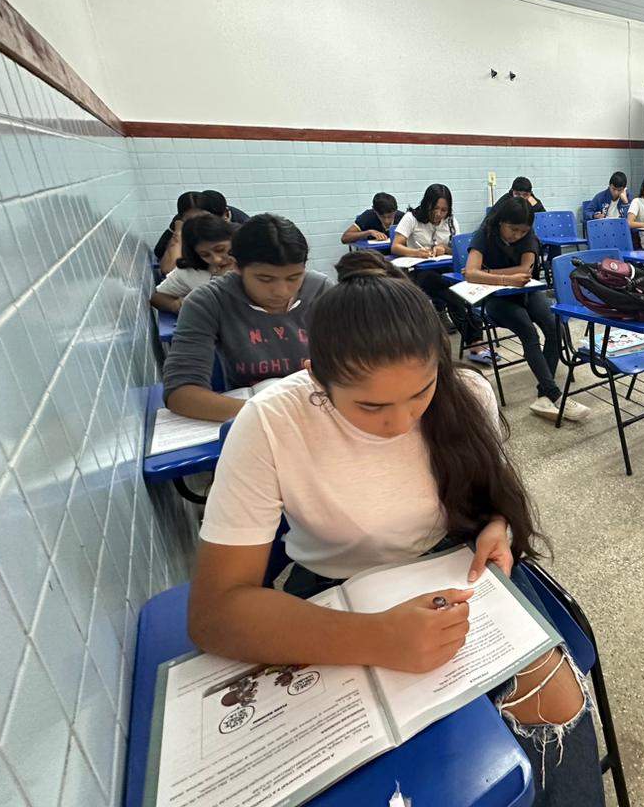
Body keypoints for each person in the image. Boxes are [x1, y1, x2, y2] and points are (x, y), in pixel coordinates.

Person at [187, 251, 605, 807]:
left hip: (452, 565)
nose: (401, 421)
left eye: (421, 393)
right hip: (334, 588)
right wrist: (376, 638)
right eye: (370, 406)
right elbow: (215, 612)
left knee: (556, 709)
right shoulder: (271, 421)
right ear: (315, 375)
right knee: (385, 772)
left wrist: (496, 524)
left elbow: (490, 495)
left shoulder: (465, 392)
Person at [164, 214, 330, 421]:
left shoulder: (322, 291)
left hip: (320, 404)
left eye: (294, 278)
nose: (281, 291)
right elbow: (180, 393)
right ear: (236, 266)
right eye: (265, 279)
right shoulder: (208, 301)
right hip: (253, 409)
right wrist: (272, 413)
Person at [466, 197, 590, 423]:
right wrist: (506, 278)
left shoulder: (528, 236)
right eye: (513, 229)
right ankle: (554, 394)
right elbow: (471, 273)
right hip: (496, 298)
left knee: (555, 327)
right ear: (501, 221)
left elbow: (525, 271)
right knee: (529, 332)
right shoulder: (485, 233)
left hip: (526, 292)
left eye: (522, 231)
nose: (517, 235)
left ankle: (544, 395)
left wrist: (490, 273)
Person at [394, 184, 493, 365]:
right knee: (453, 294)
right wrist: (416, 252)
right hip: (420, 272)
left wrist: (445, 249)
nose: (439, 214)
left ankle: (476, 340)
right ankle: (475, 343)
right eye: (435, 209)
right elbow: (396, 246)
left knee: (465, 291)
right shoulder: (411, 218)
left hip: (445, 268)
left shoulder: (451, 221)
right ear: (427, 204)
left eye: (444, 210)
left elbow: (458, 249)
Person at [150, 215, 236, 313]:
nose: (216, 259)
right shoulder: (192, 270)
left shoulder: (248, 258)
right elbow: (157, 297)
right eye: (205, 255)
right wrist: (178, 306)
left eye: (220, 249)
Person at [155, 190, 250, 273]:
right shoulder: (185, 226)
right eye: (205, 254)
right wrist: (179, 233)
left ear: (224, 216)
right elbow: (168, 267)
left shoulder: (240, 228)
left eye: (220, 249)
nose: (198, 227)